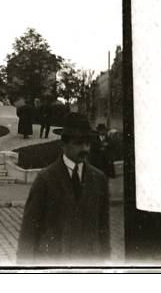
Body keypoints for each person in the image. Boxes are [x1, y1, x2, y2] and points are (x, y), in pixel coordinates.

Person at [17, 113, 110, 264]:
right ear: (63, 144)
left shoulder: (99, 179)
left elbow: (103, 228)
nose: (85, 149)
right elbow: (29, 231)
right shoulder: (45, 179)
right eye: (78, 143)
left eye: (88, 143)